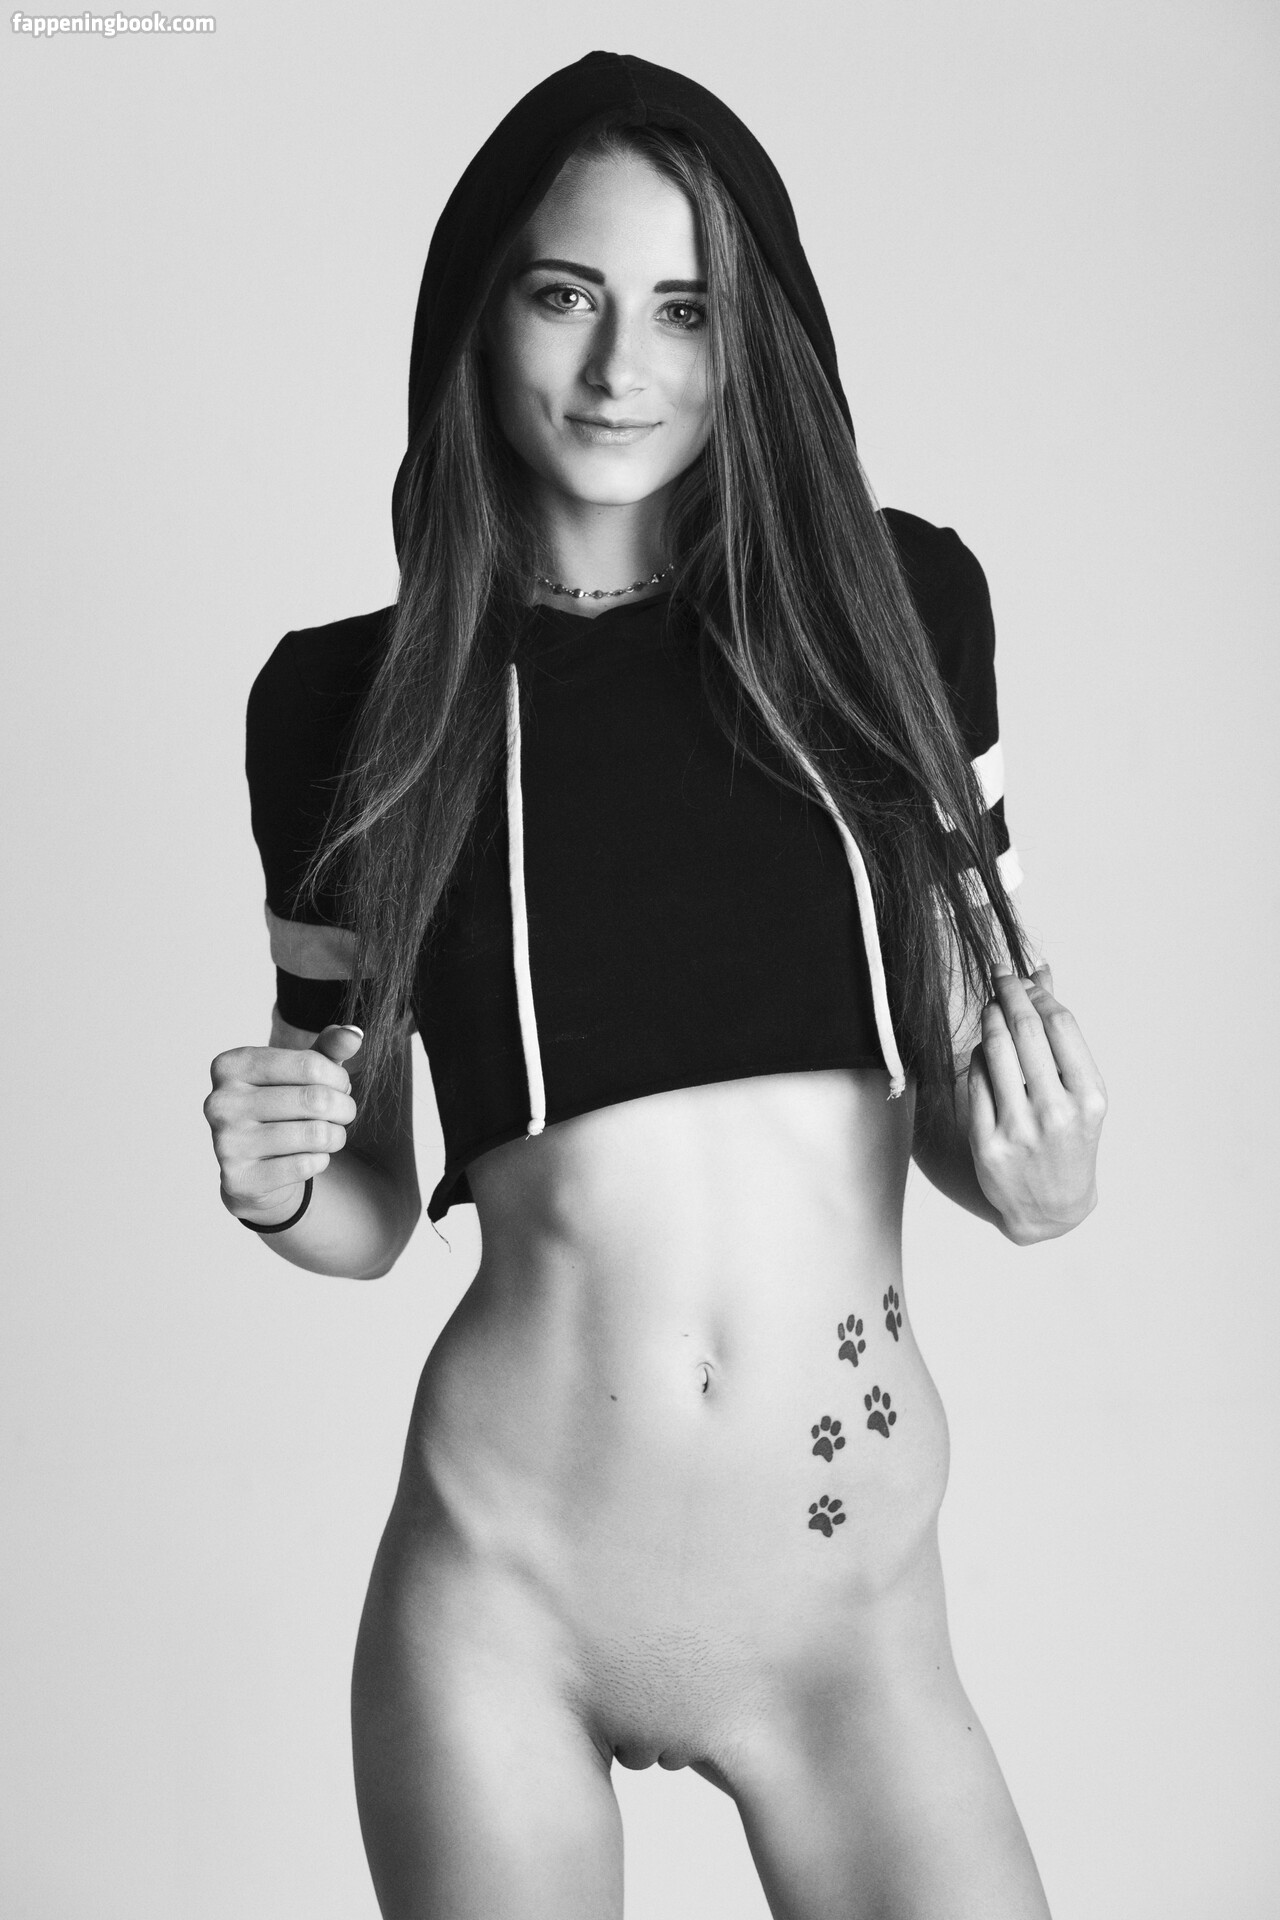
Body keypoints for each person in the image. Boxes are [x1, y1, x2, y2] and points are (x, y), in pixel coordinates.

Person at [203, 51, 1106, 1920]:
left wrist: (1044, 1181)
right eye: (567, 296)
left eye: (685, 310)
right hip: (503, 1598)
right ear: (479, 315)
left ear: (749, 336)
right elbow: (364, 1203)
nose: (625, 367)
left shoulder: (898, 616)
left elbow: (974, 1083)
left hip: (850, 1614)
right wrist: (283, 1182)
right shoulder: (345, 709)